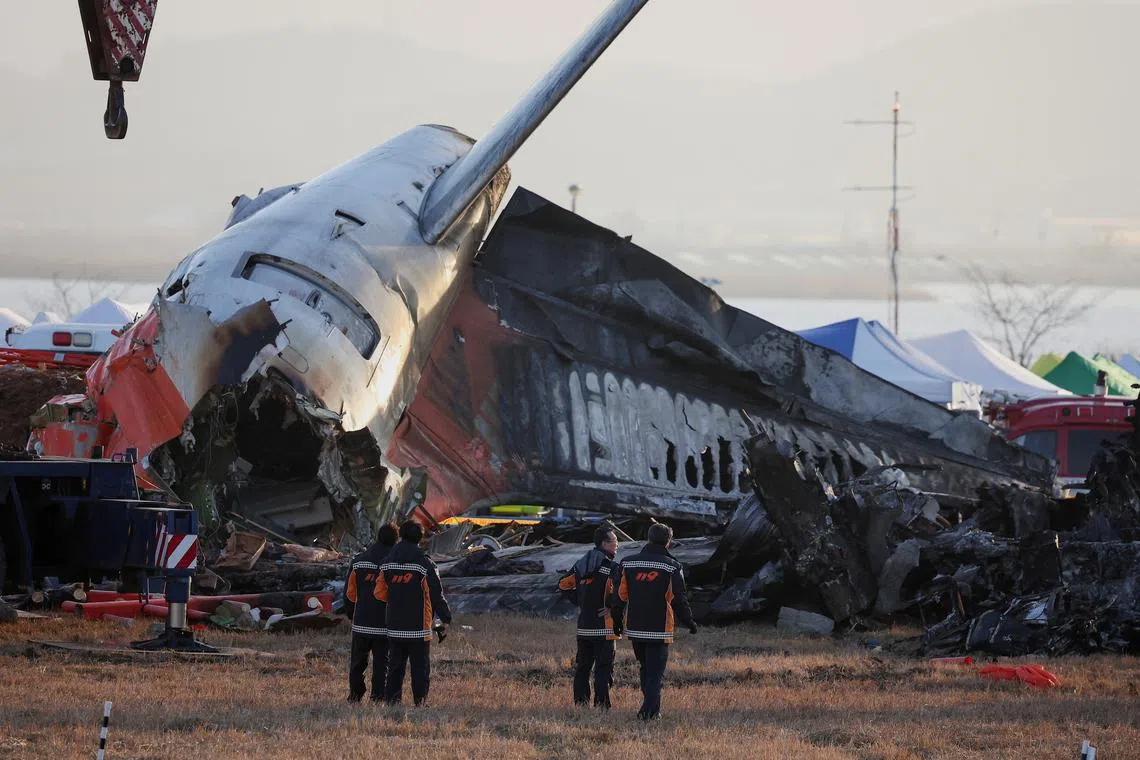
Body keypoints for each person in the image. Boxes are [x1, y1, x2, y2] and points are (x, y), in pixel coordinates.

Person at [609, 522, 697, 721]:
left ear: (649, 538)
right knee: (655, 674)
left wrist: (617, 622)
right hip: (660, 628)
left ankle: (653, 711)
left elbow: (619, 597)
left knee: (645, 668)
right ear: (669, 542)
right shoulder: (672, 566)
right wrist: (689, 621)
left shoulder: (628, 563)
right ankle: (646, 713)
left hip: (636, 628)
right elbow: (678, 598)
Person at [374, 519, 451, 706]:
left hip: (394, 626)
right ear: (420, 538)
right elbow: (435, 594)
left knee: (394, 667)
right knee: (420, 668)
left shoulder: (387, 564)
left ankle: (392, 702)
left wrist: (396, 601)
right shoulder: (425, 565)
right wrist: (446, 617)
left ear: (401, 536)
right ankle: (420, 702)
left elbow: (379, 593)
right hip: (419, 629)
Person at [558, 525, 621, 708]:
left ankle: (580, 704)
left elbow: (563, 585)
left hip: (584, 626)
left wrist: (581, 601)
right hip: (604, 627)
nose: (617, 545)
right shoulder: (611, 567)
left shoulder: (581, 565)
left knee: (583, 668)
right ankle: (602, 706)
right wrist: (611, 607)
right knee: (603, 668)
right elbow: (624, 592)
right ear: (604, 544)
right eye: (614, 542)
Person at [345, 521, 399, 702]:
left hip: (361, 622)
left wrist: (351, 614)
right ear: (396, 540)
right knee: (382, 663)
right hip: (384, 624)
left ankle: (355, 695)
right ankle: (377, 696)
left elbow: (349, 594)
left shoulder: (358, 562)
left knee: (357, 664)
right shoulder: (395, 565)